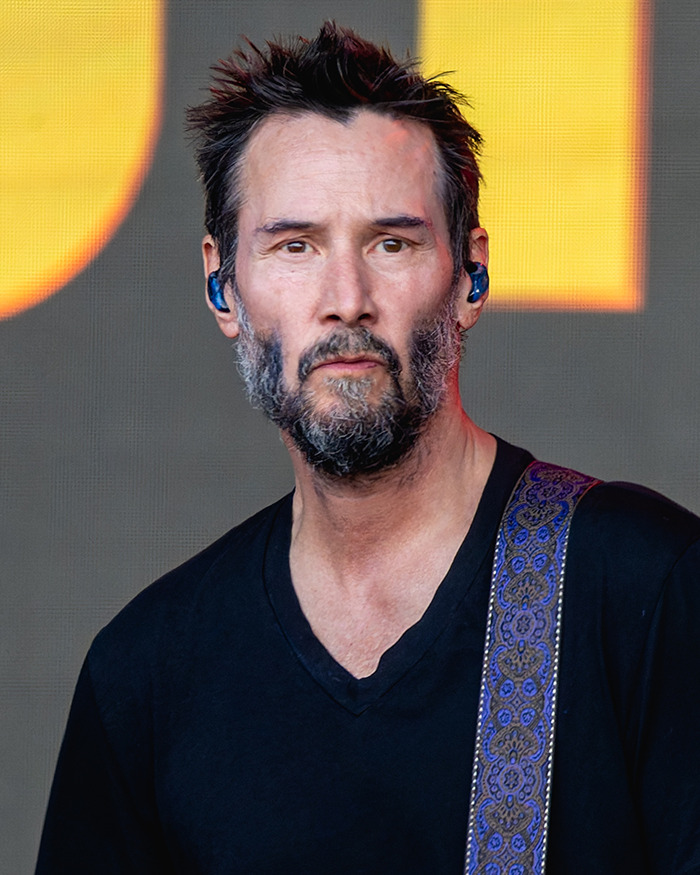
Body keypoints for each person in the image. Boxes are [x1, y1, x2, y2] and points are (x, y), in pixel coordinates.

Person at [36, 22, 700, 875]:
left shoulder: (648, 589)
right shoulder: (147, 673)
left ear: (470, 276)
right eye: (294, 246)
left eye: (392, 242)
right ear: (221, 286)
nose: (344, 298)